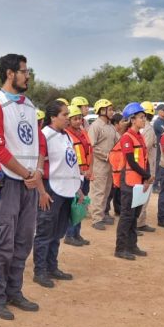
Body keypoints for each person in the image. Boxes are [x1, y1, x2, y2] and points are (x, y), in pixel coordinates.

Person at [0, 53, 43, 320]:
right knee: (2, 243)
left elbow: (39, 142)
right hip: (7, 183)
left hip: (29, 184)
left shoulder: (28, 105)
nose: (27, 75)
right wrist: (25, 173)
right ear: (10, 73)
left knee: (23, 241)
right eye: (24, 71)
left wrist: (37, 173)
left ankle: (14, 291)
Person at [33, 101, 81, 287]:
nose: (68, 118)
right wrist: (42, 192)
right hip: (50, 189)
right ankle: (40, 271)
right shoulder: (44, 136)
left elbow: (70, 163)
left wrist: (78, 188)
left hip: (66, 190)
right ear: (53, 117)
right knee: (45, 231)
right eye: (64, 115)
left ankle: (52, 266)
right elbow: (36, 166)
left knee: (58, 232)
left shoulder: (65, 135)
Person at [114, 103, 154, 260]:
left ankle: (132, 245)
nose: (144, 120)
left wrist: (146, 176)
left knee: (134, 215)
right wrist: (146, 175)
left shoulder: (140, 136)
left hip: (139, 181)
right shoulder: (126, 137)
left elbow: (145, 159)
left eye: (144, 117)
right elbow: (131, 161)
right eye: (141, 118)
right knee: (127, 216)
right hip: (129, 181)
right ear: (132, 119)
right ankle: (120, 248)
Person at [63, 104, 93, 246]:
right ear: (68, 120)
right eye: (75, 119)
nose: (78, 121)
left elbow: (90, 151)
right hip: (74, 174)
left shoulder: (83, 132)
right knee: (74, 204)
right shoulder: (66, 135)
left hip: (85, 173)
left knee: (81, 204)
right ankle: (70, 234)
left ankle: (77, 233)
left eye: (80, 118)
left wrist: (89, 169)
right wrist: (79, 171)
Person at [88, 98, 117, 230]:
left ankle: (102, 213)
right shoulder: (95, 126)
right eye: (109, 109)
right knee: (98, 191)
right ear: (101, 111)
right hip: (99, 164)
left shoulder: (111, 127)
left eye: (112, 109)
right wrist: (107, 156)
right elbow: (91, 147)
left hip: (110, 165)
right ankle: (96, 218)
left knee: (106, 190)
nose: (112, 112)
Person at [135, 101, 157, 233]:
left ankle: (140, 222)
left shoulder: (142, 128)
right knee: (144, 194)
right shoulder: (148, 129)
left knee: (142, 194)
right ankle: (138, 223)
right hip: (147, 165)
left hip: (143, 164)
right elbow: (145, 147)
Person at [106, 113, 125, 217]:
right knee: (110, 190)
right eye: (122, 121)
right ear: (116, 123)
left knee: (117, 190)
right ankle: (106, 211)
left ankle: (118, 209)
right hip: (112, 166)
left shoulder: (119, 133)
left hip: (118, 167)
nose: (124, 123)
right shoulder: (113, 133)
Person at [152, 103, 164, 192]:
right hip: (160, 146)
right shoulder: (157, 122)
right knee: (159, 165)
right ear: (159, 111)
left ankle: (161, 183)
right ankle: (155, 185)